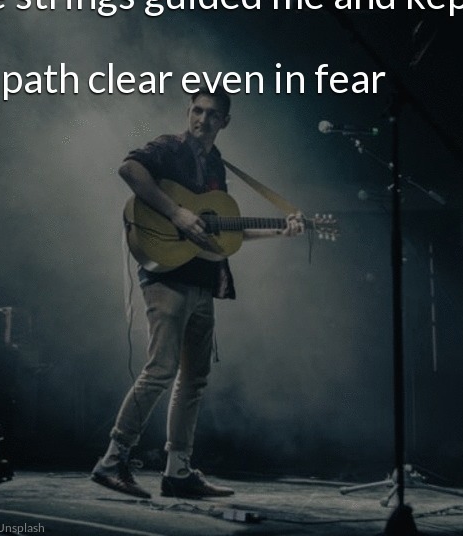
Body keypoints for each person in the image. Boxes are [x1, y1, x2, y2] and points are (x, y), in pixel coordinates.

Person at [92, 85, 304, 500]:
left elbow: (223, 230)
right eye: (197, 110)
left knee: (194, 379)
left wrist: (282, 231)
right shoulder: (170, 148)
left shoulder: (217, 166)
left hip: (204, 281)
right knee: (161, 370)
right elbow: (129, 169)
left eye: (212, 114)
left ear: (225, 121)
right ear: (188, 111)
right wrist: (177, 213)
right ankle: (112, 461)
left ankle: (178, 471)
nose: (202, 119)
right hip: (168, 277)